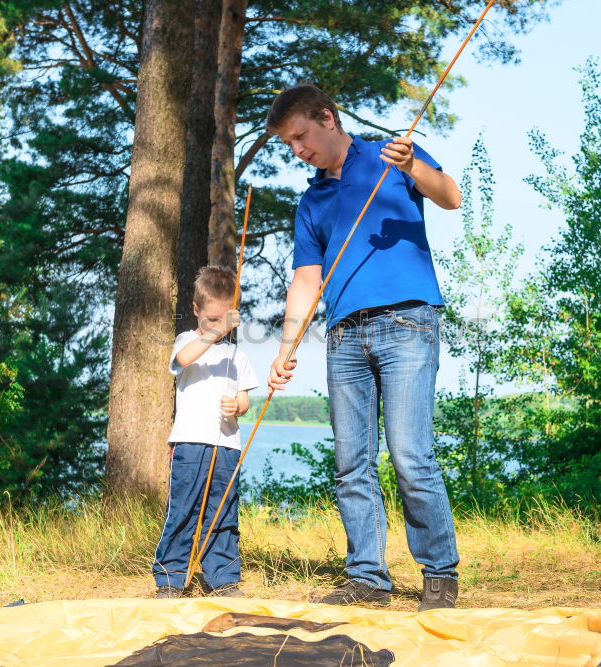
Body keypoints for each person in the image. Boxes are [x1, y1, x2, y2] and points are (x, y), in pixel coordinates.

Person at [266, 84, 462, 611]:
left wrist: (415, 168)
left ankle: (439, 575)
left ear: (327, 118)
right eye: (289, 144)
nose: (298, 150)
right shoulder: (312, 201)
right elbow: (307, 280)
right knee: (351, 462)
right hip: (343, 336)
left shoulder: (389, 154)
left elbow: (450, 195)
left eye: (301, 136)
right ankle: (368, 579)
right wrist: (287, 348)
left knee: (409, 454)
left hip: (408, 322)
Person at [153, 265, 259, 598]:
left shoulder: (236, 355)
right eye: (211, 319)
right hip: (190, 443)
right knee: (182, 510)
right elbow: (184, 358)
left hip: (226, 446)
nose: (217, 326)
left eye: (223, 319)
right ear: (196, 310)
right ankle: (170, 579)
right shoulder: (188, 340)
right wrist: (214, 332)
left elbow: (244, 398)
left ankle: (223, 579)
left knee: (223, 512)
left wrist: (237, 406)